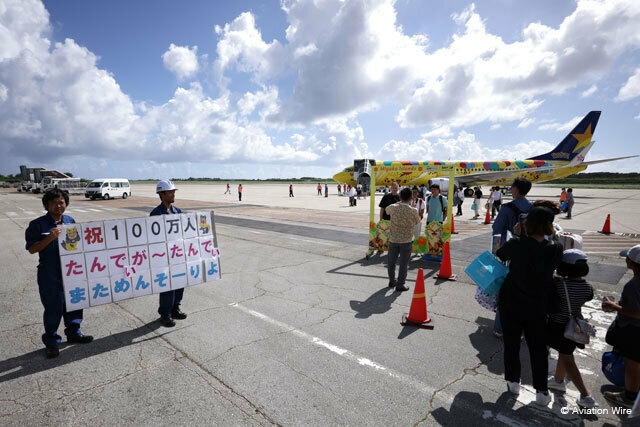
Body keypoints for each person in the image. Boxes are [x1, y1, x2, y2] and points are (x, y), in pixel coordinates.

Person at [496, 206, 563, 406]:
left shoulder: (517, 244)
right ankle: (542, 391)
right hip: (539, 305)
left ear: (529, 224)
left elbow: (500, 253)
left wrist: (517, 237)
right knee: (538, 348)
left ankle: (513, 381)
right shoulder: (556, 248)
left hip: (512, 303)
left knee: (512, 344)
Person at [25, 189, 94, 358]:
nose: (59, 206)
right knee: (53, 307)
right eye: (54, 203)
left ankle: (74, 333)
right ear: (47, 205)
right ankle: (51, 342)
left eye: (62, 202)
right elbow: (32, 249)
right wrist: (50, 238)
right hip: (50, 271)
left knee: (74, 302)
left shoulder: (70, 221)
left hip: (71, 269)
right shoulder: (38, 224)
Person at [547, 249, 597, 408]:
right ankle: (558, 380)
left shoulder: (560, 284)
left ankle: (586, 395)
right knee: (565, 352)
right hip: (574, 326)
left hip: (558, 326)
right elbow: (589, 297)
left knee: (568, 359)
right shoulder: (587, 287)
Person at [491, 178, 533, 337]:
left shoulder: (507, 208)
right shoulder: (533, 207)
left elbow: (497, 230)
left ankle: (500, 328)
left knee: (507, 294)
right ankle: (521, 331)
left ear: (516, 190)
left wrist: (496, 252)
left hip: (512, 254)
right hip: (531, 254)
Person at [602, 244, 640, 409]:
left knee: (632, 365)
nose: (626, 260)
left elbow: (637, 313)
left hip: (634, 330)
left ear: (631, 263)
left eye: (628, 258)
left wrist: (613, 306)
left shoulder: (633, 286)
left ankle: (629, 397)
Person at [151, 180, 187, 327]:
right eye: (171, 192)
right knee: (167, 284)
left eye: (174, 192)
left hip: (178, 254)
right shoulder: (156, 213)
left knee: (180, 281)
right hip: (164, 256)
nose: (173, 194)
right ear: (162, 194)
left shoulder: (178, 212)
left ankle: (175, 307)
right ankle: (165, 313)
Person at [385, 188, 420, 292]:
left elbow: (386, 211)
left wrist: (397, 203)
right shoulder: (414, 211)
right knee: (403, 264)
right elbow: (417, 222)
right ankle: (400, 284)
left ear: (400, 197)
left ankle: (392, 281)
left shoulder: (393, 207)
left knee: (391, 262)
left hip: (394, 239)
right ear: (411, 198)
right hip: (407, 240)